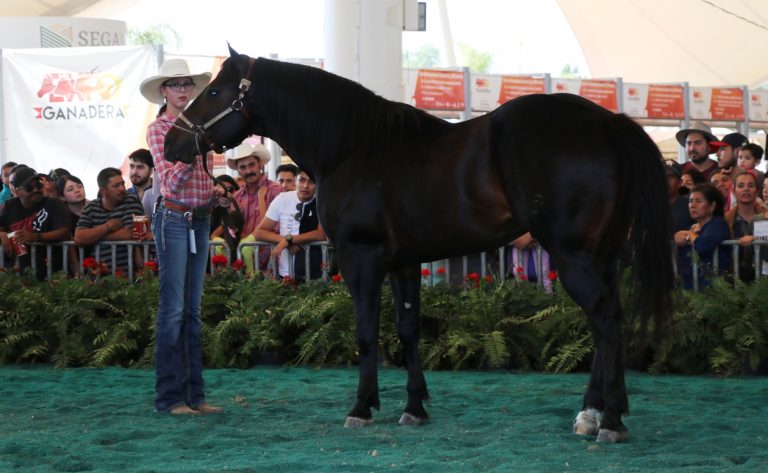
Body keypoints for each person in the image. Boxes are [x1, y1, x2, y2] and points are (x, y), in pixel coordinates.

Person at [140, 58, 222, 415]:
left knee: (191, 311)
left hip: (198, 219)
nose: (183, 90)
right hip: (173, 219)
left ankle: (195, 396)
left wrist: (215, 192)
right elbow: (170, 183)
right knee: (174, 311)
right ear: (164, 91)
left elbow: (200, 180)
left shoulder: (198, 126)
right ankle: (170, 398)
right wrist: (191, 151)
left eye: (186, 84)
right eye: (176, 85)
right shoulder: (159, 129)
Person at [254, 169, 326, 282]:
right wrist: (286, 241)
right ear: (295, 181)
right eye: (302, 180)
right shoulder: (282, 199)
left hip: (315, 271)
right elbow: (259, 233)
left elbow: (320, 234)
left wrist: (290, 240)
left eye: (311, 182)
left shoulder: (322, 200)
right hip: (285, 272)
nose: (305, 186)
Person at [0, 167, 71, 279]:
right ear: (18, 191)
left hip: (54, 276)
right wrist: (2, 234)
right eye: (29, 187)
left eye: (38, 185)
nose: (35, 190)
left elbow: (64, 232)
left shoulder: (54, 204)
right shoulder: (9, 206)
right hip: (20, 277)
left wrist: (34, 237)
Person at [74, 168, 150, 272]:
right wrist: (107, 226)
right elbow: (79, 238)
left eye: (122, 183)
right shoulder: (90, 207)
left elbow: (134, 234)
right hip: (99, 275)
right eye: (116, 186)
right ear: (103, 190)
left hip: (129, 274)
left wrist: (94, 236)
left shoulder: (132, 200)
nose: (122, 188)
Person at [226, 142, 281, 276]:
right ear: (238, 171)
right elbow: (232, 227)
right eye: (243, 167)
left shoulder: (275, 191)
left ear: (260, 165)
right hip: (245, 264)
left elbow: (278, 227)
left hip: (273, 261)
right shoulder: (237, 196)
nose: (248, 171)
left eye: (251, 165)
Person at [674, 183, 731, 289]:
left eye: (698, 201)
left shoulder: (718, 224)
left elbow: (703, 246)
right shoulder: (692, 227)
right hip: (689, 287)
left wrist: (689, 234)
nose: (692, 205)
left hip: (712, 289)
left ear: (712, 206)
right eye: (690, 201)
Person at [726, 171, 764, 281]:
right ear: (733, 191)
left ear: (757, 192)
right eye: (741, 186)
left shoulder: (765, 216)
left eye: (751, 186)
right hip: (734, 279)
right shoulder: (725, 219)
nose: (746, 189)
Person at [210, 175, 244, 263]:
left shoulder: (241, 209)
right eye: (219, 190)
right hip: (216, 263)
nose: (224, 194)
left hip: (240, 259)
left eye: (229, 190)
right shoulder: (209, 213)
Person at [666, 161, 694, 233]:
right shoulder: (649, 206)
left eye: (670, 176)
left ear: (679, 183)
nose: (665, 180)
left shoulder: (691, 205)